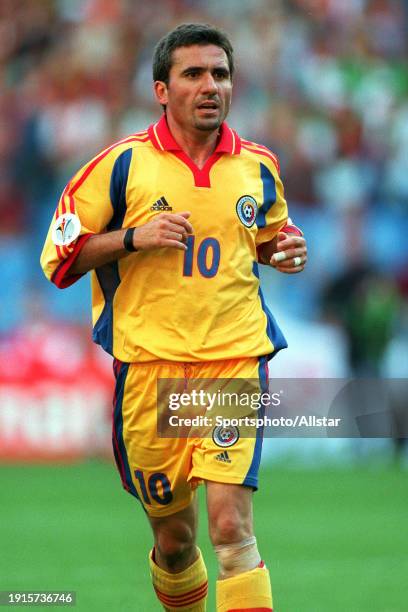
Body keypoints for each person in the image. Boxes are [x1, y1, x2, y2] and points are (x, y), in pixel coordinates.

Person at [41, 23, 307, 612]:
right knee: (176, 540)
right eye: (193, 74)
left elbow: (262, 237)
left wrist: (283, 249)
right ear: (162, 89)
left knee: (232, 529)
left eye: (220, 74)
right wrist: (134, 237)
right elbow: (57, 262)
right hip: (149, 371)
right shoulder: (119, 166)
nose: (210, 86)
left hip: (232, 361)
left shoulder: (259, 167)